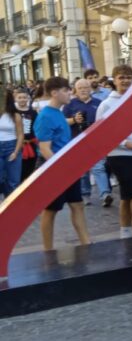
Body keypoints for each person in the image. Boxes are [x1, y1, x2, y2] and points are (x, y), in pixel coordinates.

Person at [35, 77, 91, 250]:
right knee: (51, 210)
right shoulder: (45, 116)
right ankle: (48, 249)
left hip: (65, 167)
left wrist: (74, 120)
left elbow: (61, 126)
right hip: (53, 168)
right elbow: (45, 148)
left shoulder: (58, 112)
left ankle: (86, 243)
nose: (70, 93)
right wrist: (59, 169)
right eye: (66, 90)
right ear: (54, 93)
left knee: (77, 204)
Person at [96, 66, 132, 238]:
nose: (125, 81)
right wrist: (124, 142)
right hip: (118, 155)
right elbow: (102, 131)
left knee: (127, 196)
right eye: (121, 77)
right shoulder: (106, 104)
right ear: (114, 80)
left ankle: (125, 232)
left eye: (128, 77)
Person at [62, 79, 107, 205]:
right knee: (83, 170)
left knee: (99, 167)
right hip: (77, 140)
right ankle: (85, 194)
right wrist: (74, 120)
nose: (83, 90)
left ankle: (105, 194)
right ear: (75, 90)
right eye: (80, 88)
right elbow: (63, 121)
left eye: (86, 87)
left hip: (95, 140)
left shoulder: (99, 103)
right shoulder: (70, 104)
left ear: (90, 89)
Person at [0, 89, 24, 197]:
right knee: (1, 179)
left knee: (13, 181)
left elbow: (20, 135)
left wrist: (16, 151)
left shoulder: (15, 115)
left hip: (12, 147)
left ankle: (12, 207)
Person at [13, 89, 38, 185]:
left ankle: (28, 185)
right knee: (19, 167)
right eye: (20, 98)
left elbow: (36, 127)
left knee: (30, 166)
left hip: (30, 143)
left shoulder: (33, 112)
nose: (22, 100)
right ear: (16, 99)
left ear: (28, 98)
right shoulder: (13, 112)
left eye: (24, 97)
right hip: (17, 144)